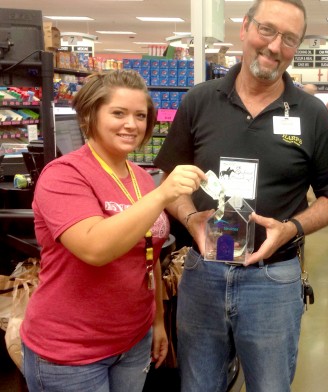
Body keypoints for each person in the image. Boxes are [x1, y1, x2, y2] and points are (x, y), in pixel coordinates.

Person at [153, 0, 328, 390]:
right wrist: (191, 219)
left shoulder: (311, 114)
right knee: (198, 385)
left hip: (273, 280)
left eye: (289, 39)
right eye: (268, 30)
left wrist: (291, 228)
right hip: (202, 274)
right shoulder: (199, 100)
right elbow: (170, 180)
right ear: (244, 28)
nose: (275, 47)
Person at [20, 70, 206, 392]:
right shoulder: (64, 175)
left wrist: (156, 321)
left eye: (140, 115)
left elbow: (148, 258)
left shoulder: (140, 177)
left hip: (133, 341)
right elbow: (95, 248)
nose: (131, 124)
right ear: (92, 115)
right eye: (118, 113)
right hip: (71, 352)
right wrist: (162, 194)